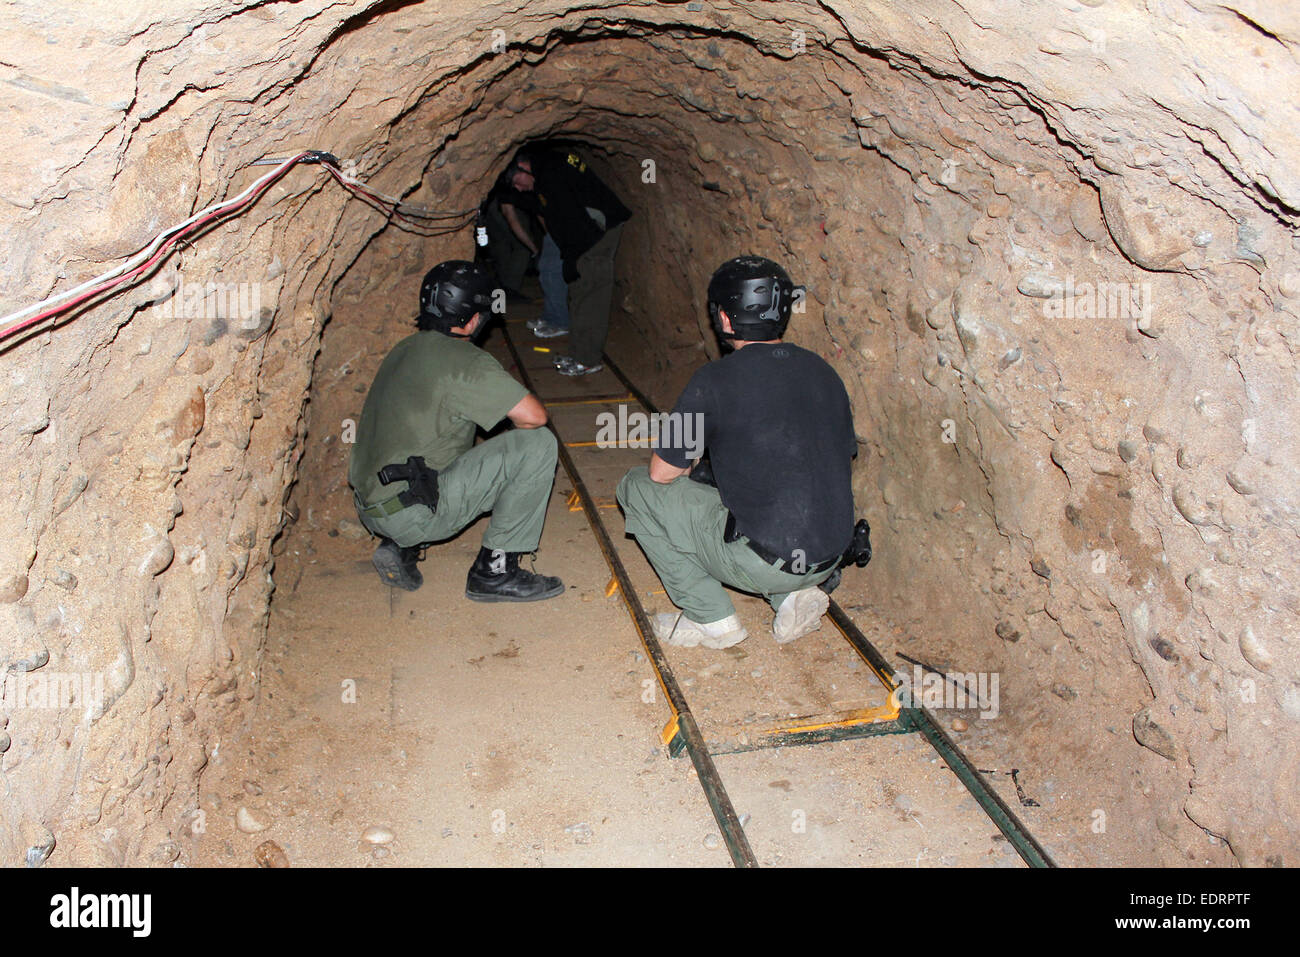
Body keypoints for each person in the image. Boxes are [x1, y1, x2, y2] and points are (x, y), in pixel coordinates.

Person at [616, 256, 858, 648]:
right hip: (829, 553)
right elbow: (829, 460)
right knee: (762, 497)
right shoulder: (823, 371)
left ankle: (709, 617)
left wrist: (692, 455)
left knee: (637, 487)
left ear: (725, 320)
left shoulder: (714, 379)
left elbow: (662, 473)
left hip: (763, 561)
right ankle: (793, 595)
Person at [348, 260, 565, 602]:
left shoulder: (404, 348)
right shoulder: (466, 361)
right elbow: (534, 417)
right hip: (410, 511)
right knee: (538, 444)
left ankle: (401, 545)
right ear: (474, 318)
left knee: (434, 446)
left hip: (373, 505)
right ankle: (495, 571)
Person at [505, 147, 631, 375]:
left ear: (524, 167)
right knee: (580, 289)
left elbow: (579, 223)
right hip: (589, 229)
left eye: (516, 180)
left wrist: (572, 259)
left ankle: (588, 359)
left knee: (591, 292)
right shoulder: (546, 169)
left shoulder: (551, 174)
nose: (518, 187)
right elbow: (559, 219)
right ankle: (578, 353)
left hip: (598, 230)